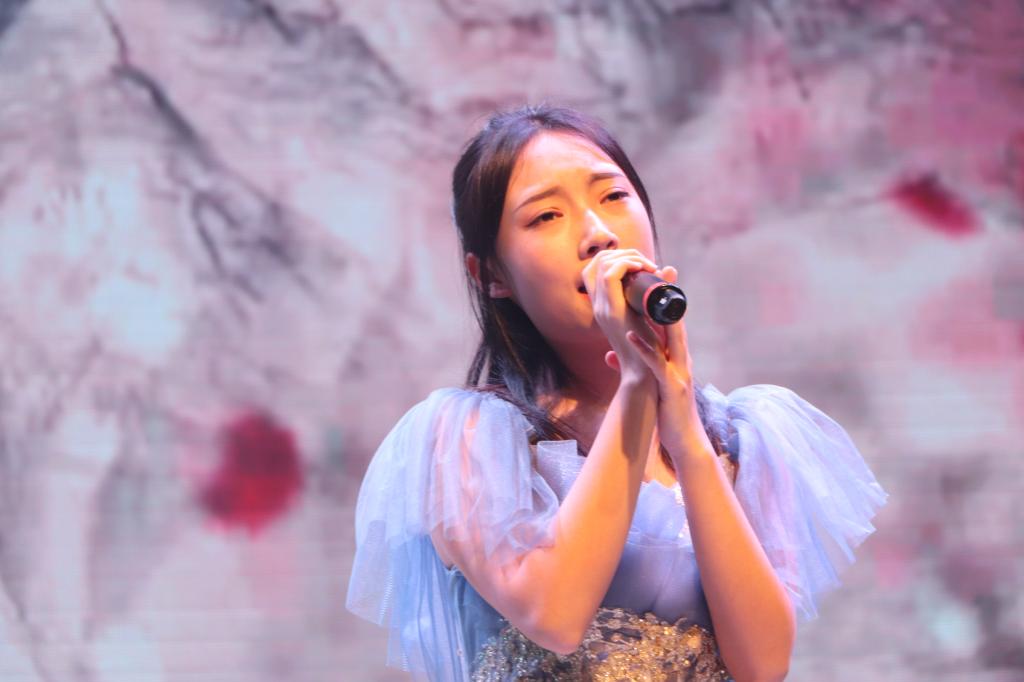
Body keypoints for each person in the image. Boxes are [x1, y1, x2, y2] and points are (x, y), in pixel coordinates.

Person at [345, 103, 889, 681]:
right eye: (546, 216)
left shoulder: (739, 438)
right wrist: (636, 386)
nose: (598, 235)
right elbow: (554, 614)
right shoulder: (468, 439)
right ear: (492, 275)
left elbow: (763, 664)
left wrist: (686, 437)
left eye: (612, 197)